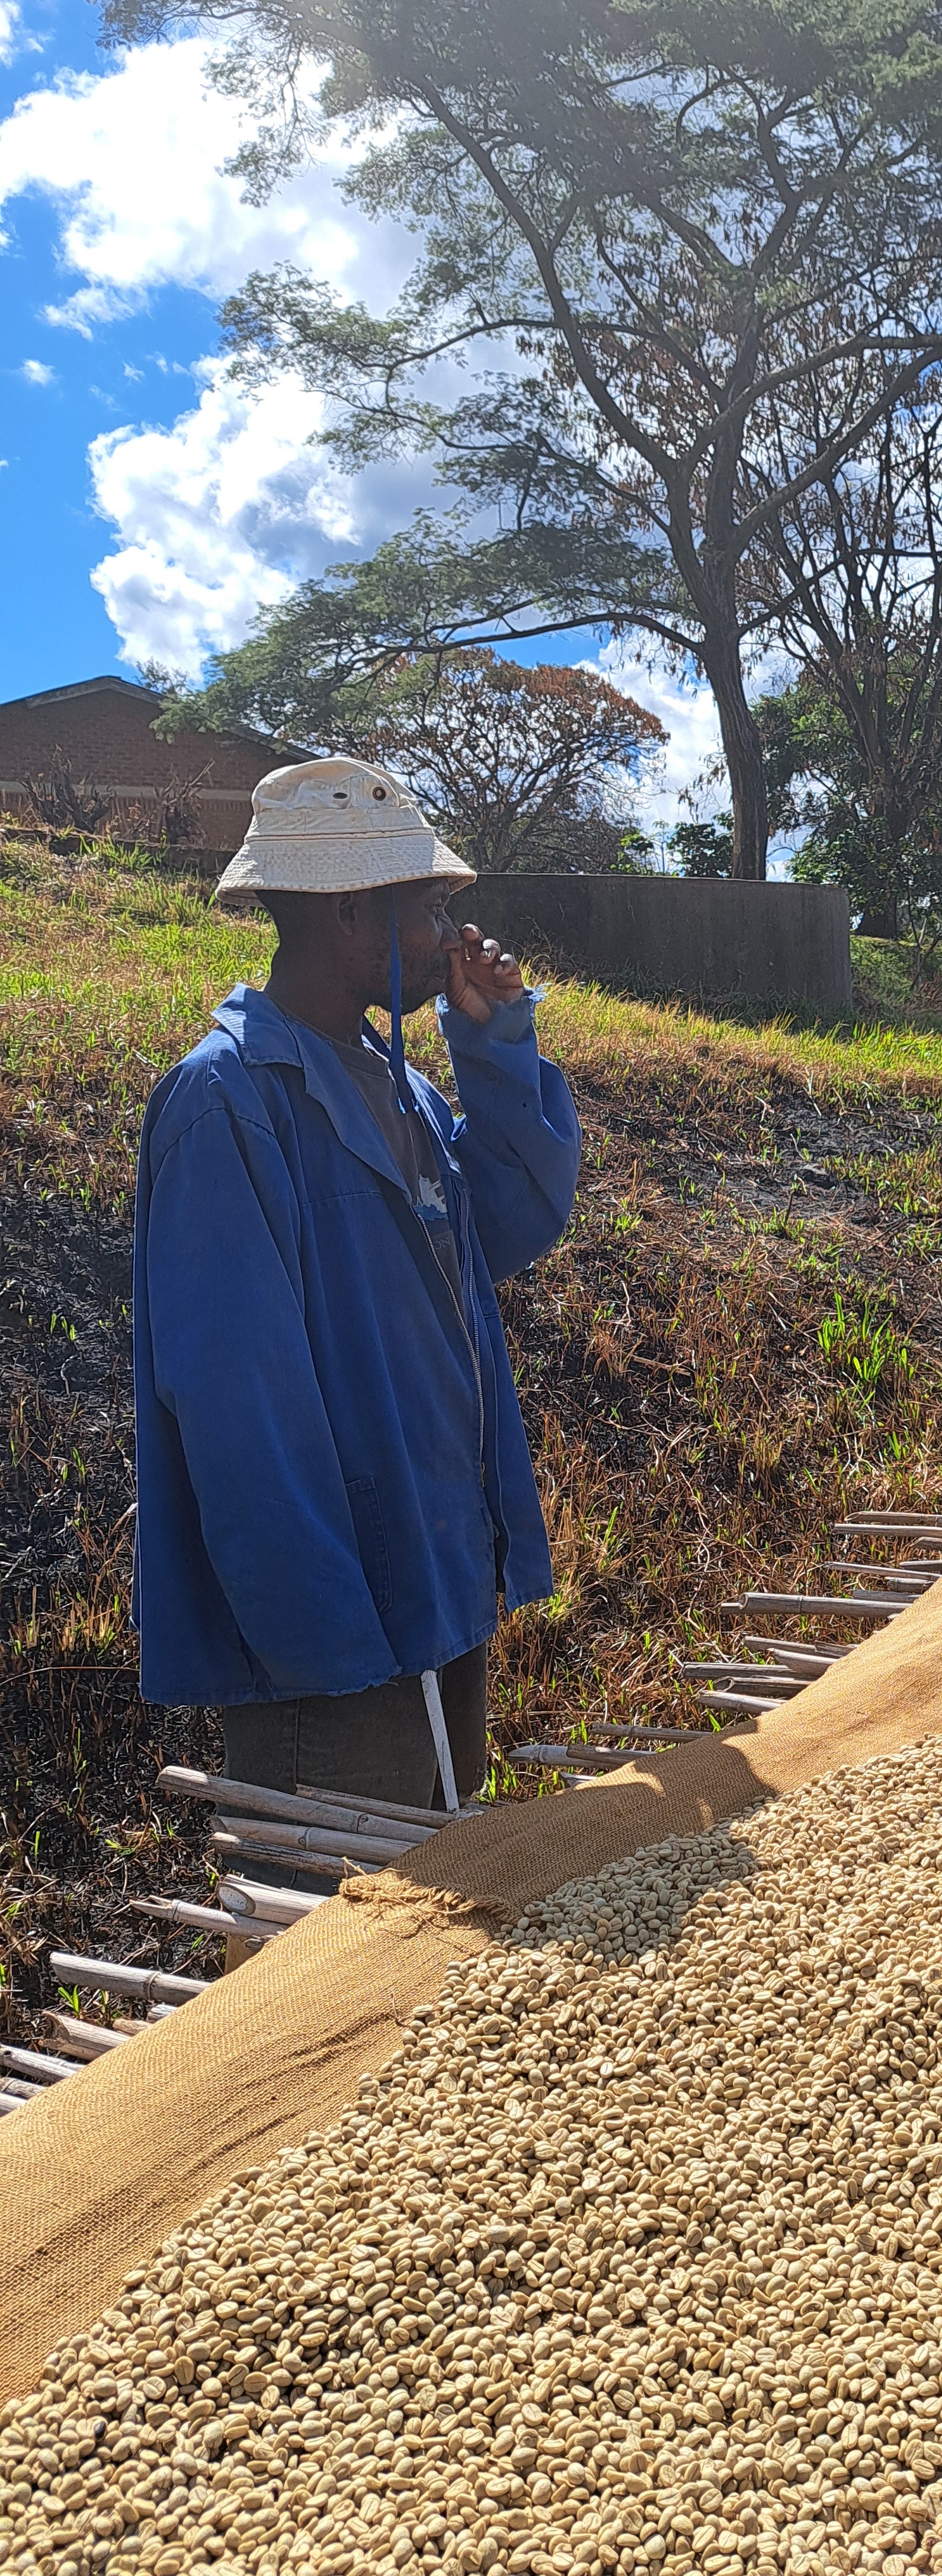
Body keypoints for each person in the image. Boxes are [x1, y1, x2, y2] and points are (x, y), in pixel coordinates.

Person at [132, 755, 581, 1817]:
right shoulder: (227, 1102)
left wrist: (492, 1040)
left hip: (435, 1587)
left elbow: (512, 1218)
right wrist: (332, 1636)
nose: (451, 936)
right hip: (336, 1636)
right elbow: (240, 1407)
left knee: (429, 1928)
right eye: (427, 907)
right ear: (346, 912)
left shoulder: (404, 1087)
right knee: (325, 1946)